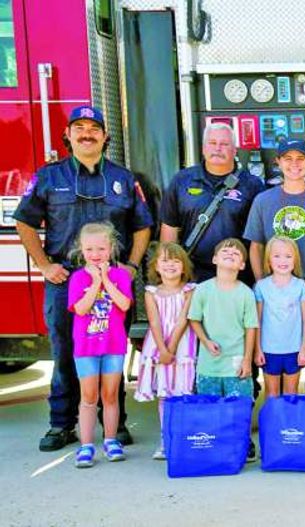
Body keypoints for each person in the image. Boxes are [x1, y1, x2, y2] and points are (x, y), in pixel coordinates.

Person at [15, 105, 152, 451]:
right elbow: (24, 222)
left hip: (111, 281)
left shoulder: (123, 179)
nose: (87, 133)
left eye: (94, 127)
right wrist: (45, 265)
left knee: (112, 351)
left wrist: (132, 267)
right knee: (65, 353)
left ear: (105, 137)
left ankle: (114, 425)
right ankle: (62, 425)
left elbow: (143, 226)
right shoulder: (49, 177)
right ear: (68, 135)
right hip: (66, 280)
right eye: (79, 127)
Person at [245, 138, 305, 396]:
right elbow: (255, 246)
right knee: (273, 347)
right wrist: (261, 281)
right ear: (278, 163)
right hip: (275, 291)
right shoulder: (264, 201)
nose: (294, 165)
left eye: (300, 158)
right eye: (287, 159)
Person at [159, 122, 264, 282]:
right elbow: (169, 230)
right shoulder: (182, 181)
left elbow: (259, 239)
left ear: (235, 150)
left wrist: (260, 281)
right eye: (212, 143)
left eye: (224, 144)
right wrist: (169, 278)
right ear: (203, 148)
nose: (218, 148)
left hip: (238, 278)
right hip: (192, 277)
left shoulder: (252, 185)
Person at [68, 223, 133, 468]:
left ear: (111, 249)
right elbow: (82, 308)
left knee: (110, 395)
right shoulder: (78, 278)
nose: (95, 254)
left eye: (101, 248)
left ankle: (110, 440)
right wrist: (95, 282)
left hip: (113, 346)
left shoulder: (120, 276)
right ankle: (86, 445)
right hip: (86, 348)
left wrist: (106, 278)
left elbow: (124, 305)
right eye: (89, 249)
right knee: (88, 397)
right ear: (81, 250)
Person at [134, 242, 196, 460]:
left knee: (183, 392)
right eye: (165, 260)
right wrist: (162, 349)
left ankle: (182, 438)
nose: (170, 265)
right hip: (159, 345)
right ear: (156, 266)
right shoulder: (152, 293)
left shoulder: (190, 290)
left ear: (184, 266)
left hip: (182, 345)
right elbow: (155, 322)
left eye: (176, 260)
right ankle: (165, 439)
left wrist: (171, 348)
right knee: (164, 393)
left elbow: (182, 321)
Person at [188, 239, 259, 399]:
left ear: (242, 265)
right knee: (209, 413)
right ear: (214, 259)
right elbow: (194, 319)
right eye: (225, 251)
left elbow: (251, 328)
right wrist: (205, 341)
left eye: (236, 253)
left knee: (238, 413)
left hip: (236, 365)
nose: (230, 254)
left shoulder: (246, 293)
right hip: (208, 366)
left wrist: (247, 360)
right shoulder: (202, 289)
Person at [253, 236, 305, 397]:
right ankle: (272, 423)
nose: (283, 260)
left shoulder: (300, 286)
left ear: (295, 260)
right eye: (277, 256)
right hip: (268, 349)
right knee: (271, 394)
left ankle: (289, 423)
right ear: (269, 260)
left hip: (294, 349)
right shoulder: (261, 287)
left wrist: (304, 349)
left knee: (291, 394)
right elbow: (256, 321)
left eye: (288, 256)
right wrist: (257, 349)